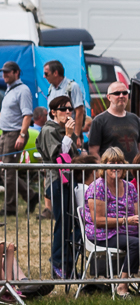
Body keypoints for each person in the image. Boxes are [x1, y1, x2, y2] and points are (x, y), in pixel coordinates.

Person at [83, 147, 140, 296]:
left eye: (119, 163)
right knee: (137, 244)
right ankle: (122, 286)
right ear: (104, 166)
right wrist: (126, 220)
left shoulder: (130, 187)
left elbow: (136, 214)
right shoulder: (98, 187)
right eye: (111, 163)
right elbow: (98, 221)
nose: (116, 167)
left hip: (127, 231)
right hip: (103, 234)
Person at [37, 95, 81, 278]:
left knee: (78, 224)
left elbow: (74, 156)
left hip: (71, 181)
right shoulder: (49, 130)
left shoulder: (65, 129)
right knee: (64, 224)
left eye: (70, 109)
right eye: (63, 109)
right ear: (53, 112)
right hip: (57, 181)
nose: (68, 112)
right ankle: (59, 264)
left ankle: (68, 264)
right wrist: (69, 136)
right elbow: (59, 159)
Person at [0, 60, 35, 214]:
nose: (4, 74)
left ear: (16, 73)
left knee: (8, 171)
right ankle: (31, 195)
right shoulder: (10, 89)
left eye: (8, 72)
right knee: (4, 170)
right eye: (3, 72)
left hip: (15, 133)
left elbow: (27, 115)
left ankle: (10, 207)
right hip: (5, 133)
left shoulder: (23, 90)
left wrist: (21, 135)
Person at [88, 81, 140, 160]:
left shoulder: (135, 119)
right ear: (109, 97)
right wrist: (103, 167)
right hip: (112, 167)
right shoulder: (99, 121)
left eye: (125, 93)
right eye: (117, 93)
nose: (121, 96)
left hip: (134, 167)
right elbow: (93, 152)